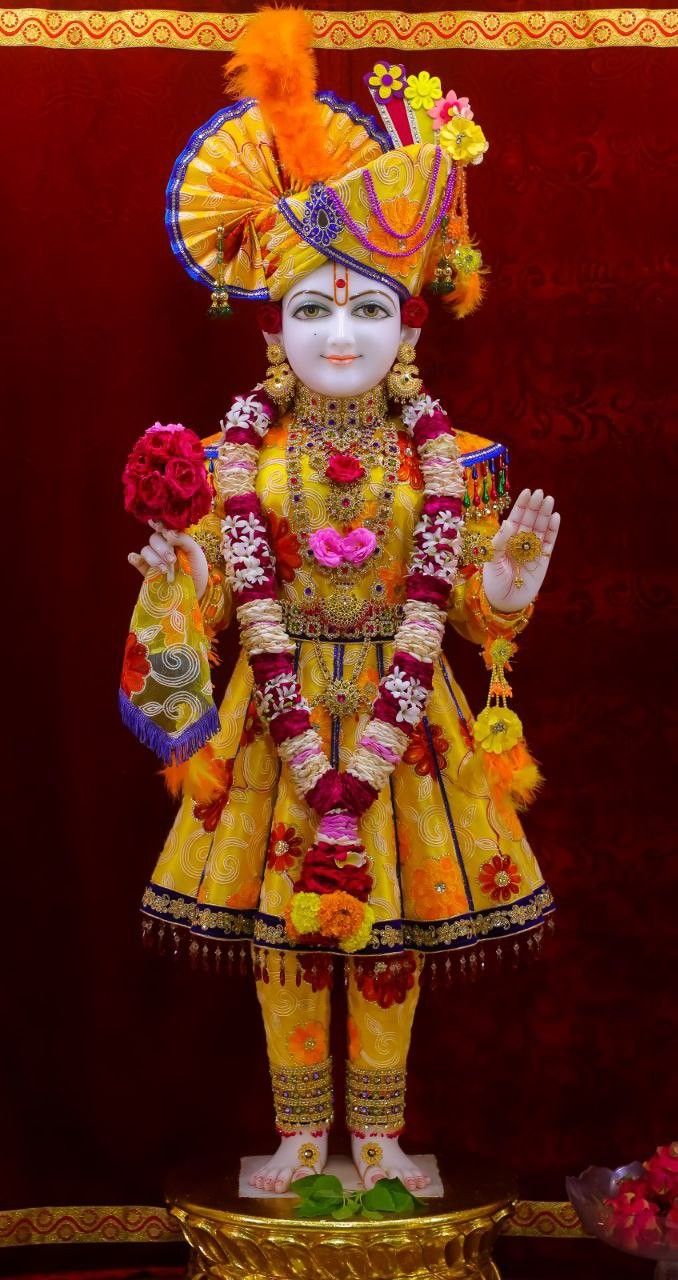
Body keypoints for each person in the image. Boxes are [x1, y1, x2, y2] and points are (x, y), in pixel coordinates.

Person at [121, 9, 559, 1196]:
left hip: (405, 727)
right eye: (313, 308)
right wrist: (178, 584)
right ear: (273, 327)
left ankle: (377, 1134)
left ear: (408, 323)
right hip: (277, 726)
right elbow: (200, 613)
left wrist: (505, 586)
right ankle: (302, 1134)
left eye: (366, 307)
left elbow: (469, 613)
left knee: (388, 940)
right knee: (283, 942)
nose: (340, 332)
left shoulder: (448, 457)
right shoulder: (234, 459)